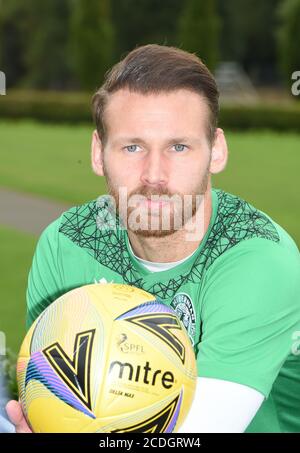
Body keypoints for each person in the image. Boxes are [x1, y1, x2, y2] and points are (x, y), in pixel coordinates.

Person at [6, 44, 300, 433]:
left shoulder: (258, 258)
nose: (154, 175)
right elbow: (48, 394)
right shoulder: (67, 244)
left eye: (179, 147)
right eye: (133, 147)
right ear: (98, 153)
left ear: (216, 151)